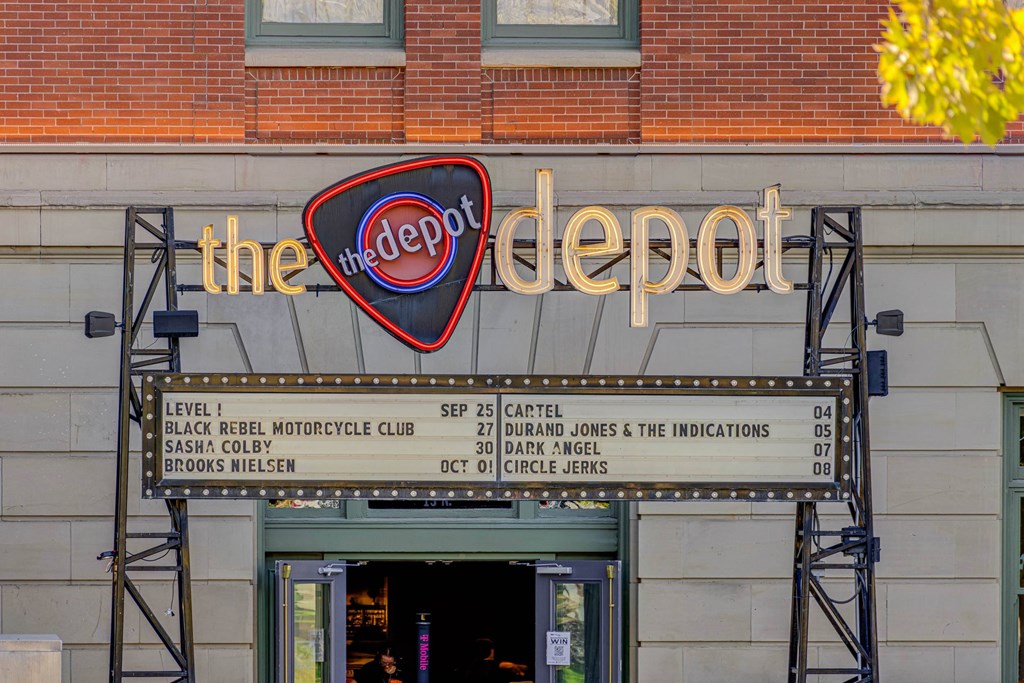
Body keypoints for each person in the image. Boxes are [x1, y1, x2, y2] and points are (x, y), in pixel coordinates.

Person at [461, 638, 528, 683]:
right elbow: (508, 665)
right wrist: (517, 668)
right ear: (491, 650)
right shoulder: (485, 664)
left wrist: (516, 666)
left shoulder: (474, 664)